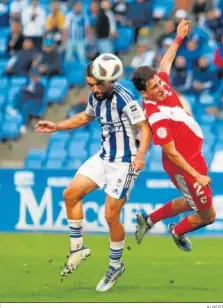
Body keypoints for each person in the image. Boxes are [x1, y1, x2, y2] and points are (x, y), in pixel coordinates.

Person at [34, 54, 151, 292]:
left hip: (125, 162)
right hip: (103, 157)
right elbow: (84, 117)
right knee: (70, 194)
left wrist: (140, 157)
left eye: (98, 84)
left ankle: (115, 265)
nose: (95, 89)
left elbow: (145, 129)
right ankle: (77, 249)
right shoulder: (94, 98)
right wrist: (57, 126)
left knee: (110, 216)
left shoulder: (125, 99)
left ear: (109, 80)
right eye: (90, 85)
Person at [131, 20, 216, 252]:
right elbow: (169, 151)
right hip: (183, 164)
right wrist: (196, 175)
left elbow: (165, 63)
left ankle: (148, 220)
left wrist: (178, 37)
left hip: (193, 157)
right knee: (208, 215)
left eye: (159, 82)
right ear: (143, 92)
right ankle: (177, 231)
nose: (161, 87)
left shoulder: (162, 85)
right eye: (154, 86)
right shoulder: (155, 114)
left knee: (194, 201)